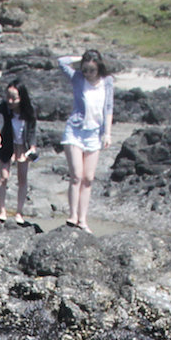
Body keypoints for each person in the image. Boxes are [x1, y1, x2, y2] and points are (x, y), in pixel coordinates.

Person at [59, 49, 115, 232]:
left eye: (92, 69)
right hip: (75, 131)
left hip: (94, 134)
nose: (88, 73)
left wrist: (107, 133)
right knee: (77, 175)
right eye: (85, 69)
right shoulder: (77, 78)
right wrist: (79, 59)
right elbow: (61, 61)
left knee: (88, 178)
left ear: (99, 68)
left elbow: (108, 108)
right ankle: (73, 215)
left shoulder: (107, 82)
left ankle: (83, 220)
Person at [0, 80, 37, 224]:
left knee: (22, 179)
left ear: (22, 98)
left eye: (14, 98)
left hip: (22, 147)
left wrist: (33, 147)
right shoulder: (3, 107)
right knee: (3, 177)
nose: (10, 101)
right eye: (8, 97)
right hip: (6, 145)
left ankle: (19, 212)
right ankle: (2, 210)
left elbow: (32, 132)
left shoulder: (29, 111)